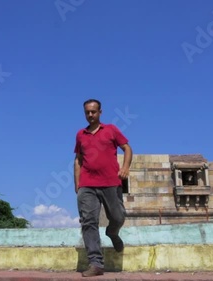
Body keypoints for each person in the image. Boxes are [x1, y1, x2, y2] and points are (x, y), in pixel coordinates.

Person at [73, 99, 133, 277]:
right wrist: (77, 183)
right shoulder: (80, 134)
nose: (90, 115)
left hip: (111, 182)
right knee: (88, 222)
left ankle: (112, 233)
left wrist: (125, 167)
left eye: (93, 112)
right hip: (87, 185)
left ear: (100, 112)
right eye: (87, 112)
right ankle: (96, 263)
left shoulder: (111, 130)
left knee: (118, 216)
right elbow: (78, 159)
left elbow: (127, 148)